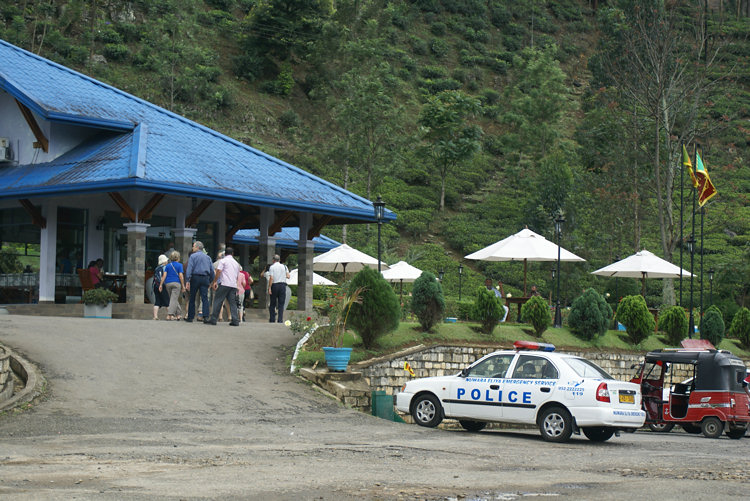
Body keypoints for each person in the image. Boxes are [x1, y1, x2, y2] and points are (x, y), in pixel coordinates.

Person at [206, 247, 241, 326]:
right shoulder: (236, 263)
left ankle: (213, 319)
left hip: (224, 283)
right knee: (232, 303)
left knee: (218, 301)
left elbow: (219, 271)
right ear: (232, 254)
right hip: (233, 285)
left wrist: (215, 281)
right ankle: (235, 320)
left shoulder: (223, 261)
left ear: (225, 254)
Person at [184, 241, 214, 323]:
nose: (192, 248)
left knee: (192, 297)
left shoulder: (193, 257)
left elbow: (189, 269)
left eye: (193, 246)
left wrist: (187, 280)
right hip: (205, 278)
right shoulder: (208, 257)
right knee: (204, 298)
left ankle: (190, 317)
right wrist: (211, 281)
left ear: (197, 247)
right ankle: (206, 316)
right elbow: (212, 270)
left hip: (195, 277)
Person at [159, 251, 185, 321]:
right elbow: (181, 276)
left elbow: (164, 275)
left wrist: (161, 284)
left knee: (173, 299)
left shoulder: (167, 266)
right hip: (176, 283)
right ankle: (169, 314)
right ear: (178, 258)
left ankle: (178, 314)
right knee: (174, 299)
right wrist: (183, 285)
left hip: (168, 283)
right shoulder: (180, 265)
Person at [267, 254, 290, 323]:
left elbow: (271, 278)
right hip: (282, 285)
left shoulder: (272, 267)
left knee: (273, 303)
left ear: (273, 260)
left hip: (275, 285)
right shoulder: (284, 267)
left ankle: (272, 319)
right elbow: (288, 276)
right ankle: (280, 319)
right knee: (281, 304)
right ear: (279, 260)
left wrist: (269, 287)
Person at [152, 254, 170, 320]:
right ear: (164, 261)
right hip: (162, 285)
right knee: (167, 301)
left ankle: (155, 316)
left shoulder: (157, 268)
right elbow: (163, 277)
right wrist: (161, 285)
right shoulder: (165, 268)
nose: (167, 261)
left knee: (157, 301)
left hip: (155, 286)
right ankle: (171, 315)